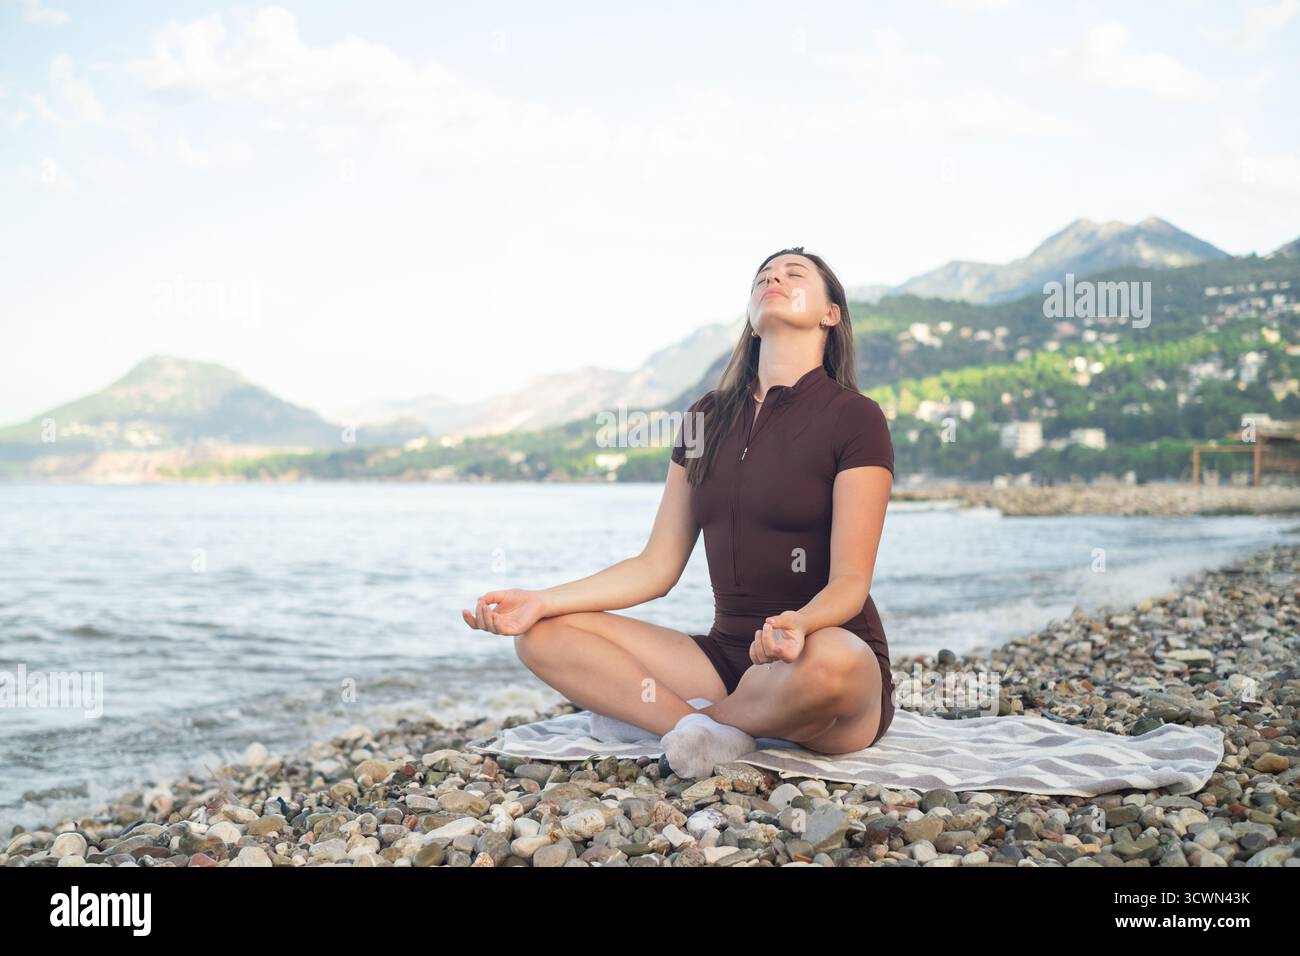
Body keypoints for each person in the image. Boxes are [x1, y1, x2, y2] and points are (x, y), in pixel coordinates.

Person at [462, 247, 895, 778]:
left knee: (835, 662)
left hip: (819, 654)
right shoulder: (705, 417)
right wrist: (540, 601)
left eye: (793, 274)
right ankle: (698, 729)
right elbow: (656, 566)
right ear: (751, 318)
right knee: (541, 635)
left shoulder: (855, 417)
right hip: (723, 660)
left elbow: (851, 581)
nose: (773, 279)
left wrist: (800, 625)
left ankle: (686, 724)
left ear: (831, 314)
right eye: (763, 276)